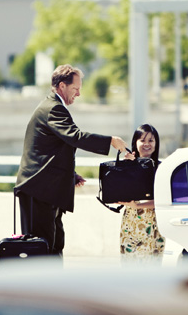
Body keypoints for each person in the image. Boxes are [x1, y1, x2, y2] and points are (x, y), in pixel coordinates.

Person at [15, 64, 129, 256]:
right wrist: (110, 141)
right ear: (61, 86)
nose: (78, 94)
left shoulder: (53, 106)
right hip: (38, 190)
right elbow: (75, 136)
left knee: (54, 244)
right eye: (75, 89)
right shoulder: (53, 108)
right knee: (42, 248)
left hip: (46, 190)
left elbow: (51, 149)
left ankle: (54, 285)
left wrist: (70, 174)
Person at [119, 124, 165, 264]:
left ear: (156, 144)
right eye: (142, 140)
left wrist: (138, 204)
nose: (146, 144)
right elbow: (119, 192)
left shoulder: (162, 168)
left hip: (154, 223)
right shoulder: (127, 165)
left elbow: (164, 201)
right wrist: (126, 168)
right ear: (135, 143)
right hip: (131, 223)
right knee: (129, 267)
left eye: (151, 140)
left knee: (151, 268)